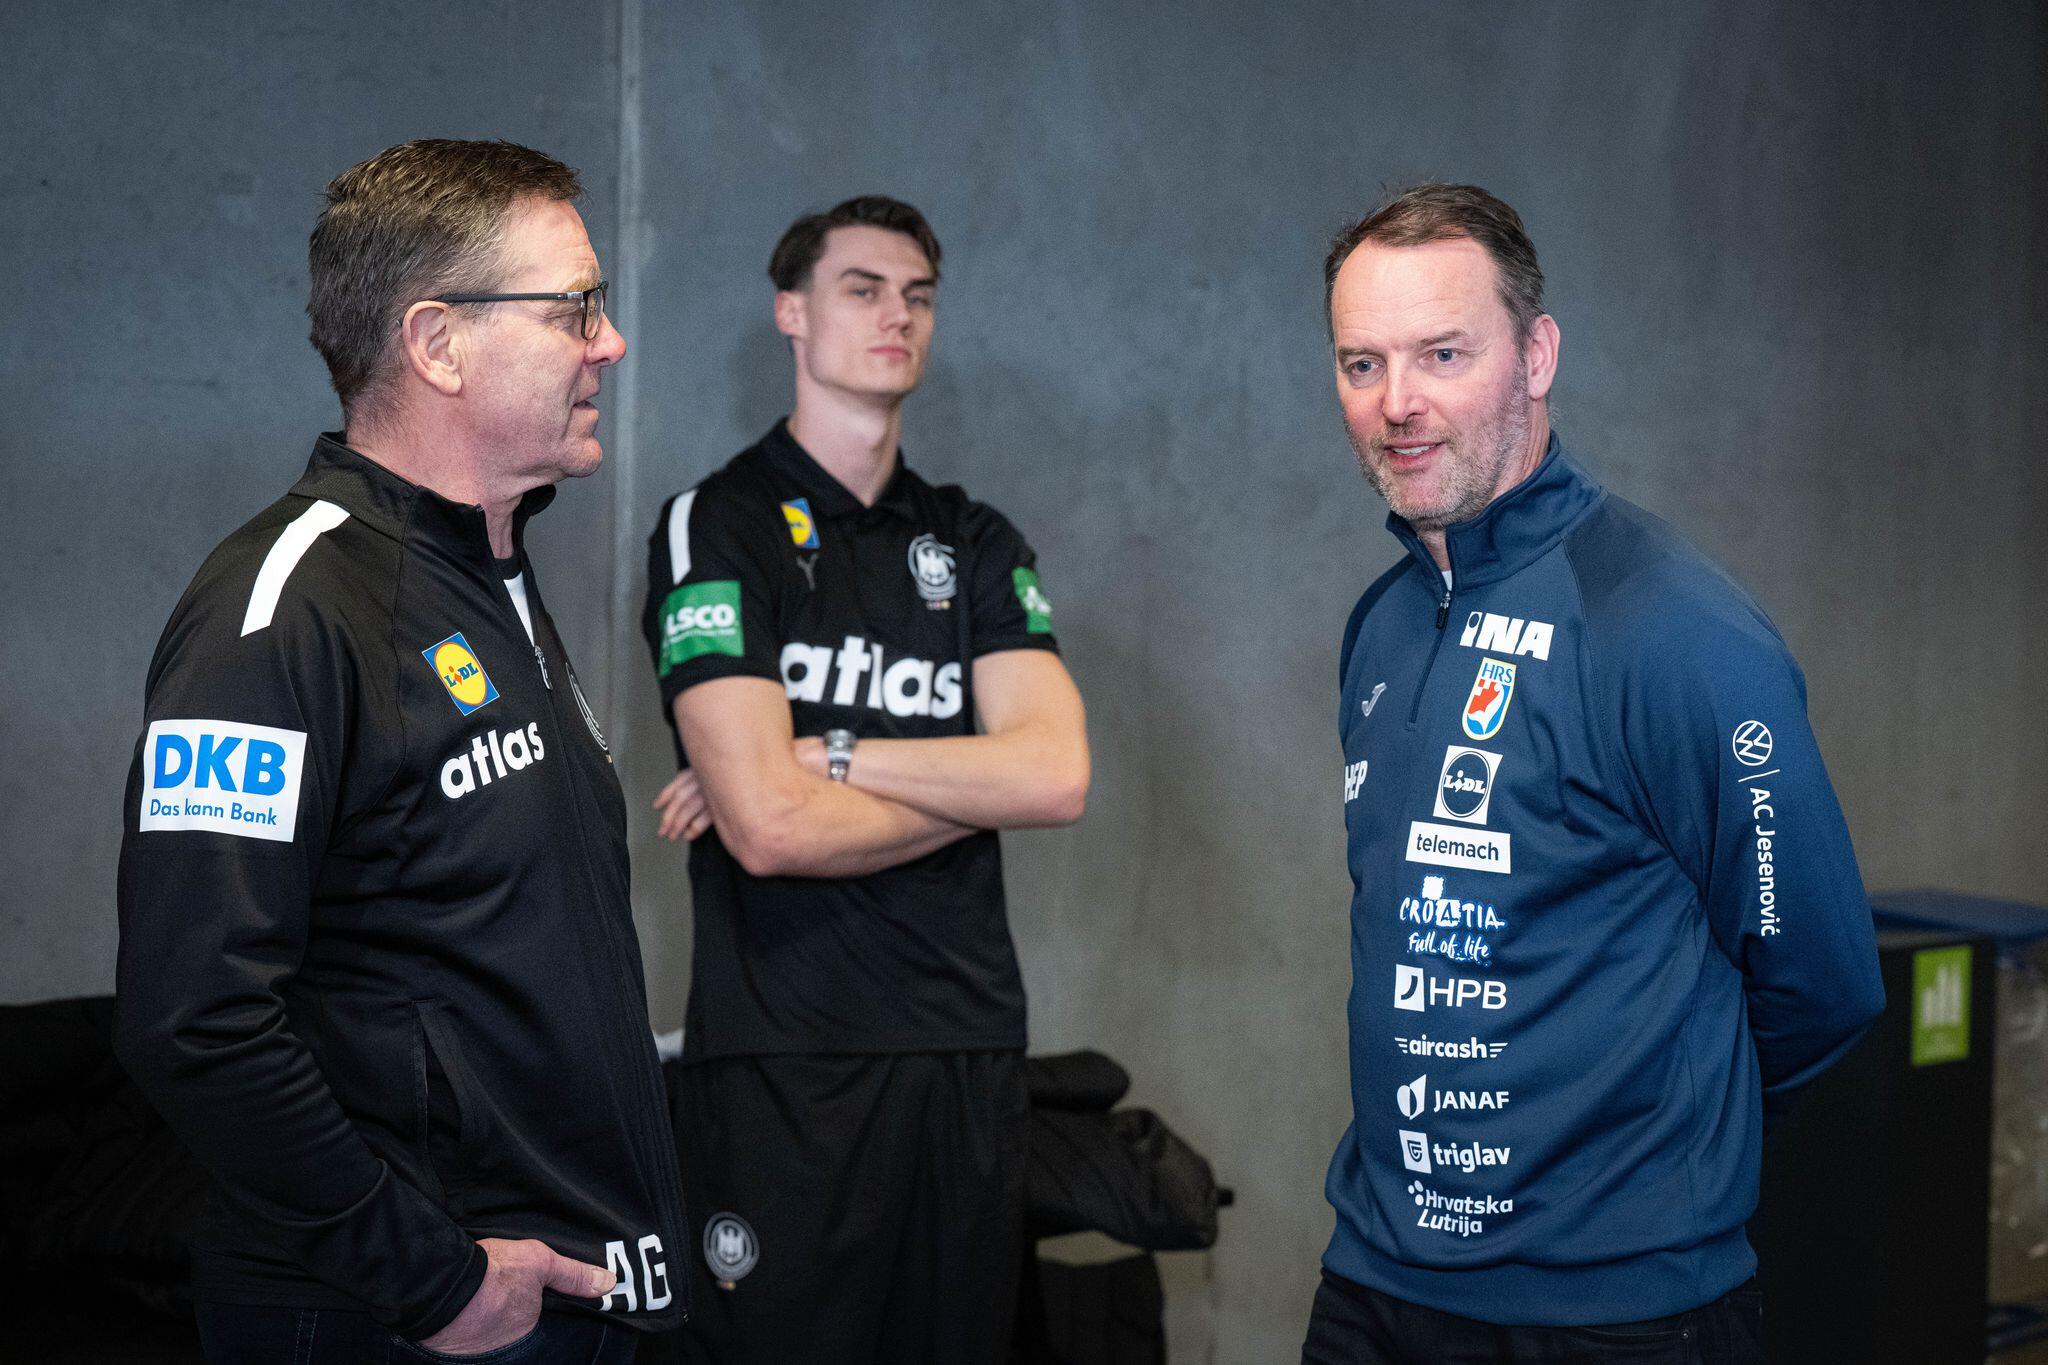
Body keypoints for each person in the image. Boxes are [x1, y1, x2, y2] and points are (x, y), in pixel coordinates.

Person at [115, 138, 687, 1364]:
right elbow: (194, 1016)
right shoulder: (280, 609)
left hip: (559, 1294)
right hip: (404, 1315)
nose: (609, 342)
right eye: (573, 307)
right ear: (437, 343)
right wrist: (429, 1280)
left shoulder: (489, 571)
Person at [1306, 183, 1885, 1364]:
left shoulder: (1672, 631)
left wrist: (1656, 1161)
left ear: (1534, 356)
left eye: (1442, 354)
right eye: (1362, 364)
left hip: (1618, 1315)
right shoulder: (1382, 624)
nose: (1397, 402)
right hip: (1375, 1284)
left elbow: (1821, 984)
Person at [640, 195, 1089, 1363]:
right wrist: (967, 789)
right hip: (784, 1049)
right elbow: (768, 828)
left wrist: (829, 755)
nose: (897, 314)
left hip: (963, 1043)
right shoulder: (716, 524)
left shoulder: (975, 540)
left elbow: (1053, 776)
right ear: (790, 313)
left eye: (918, 295)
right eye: (862, 288)